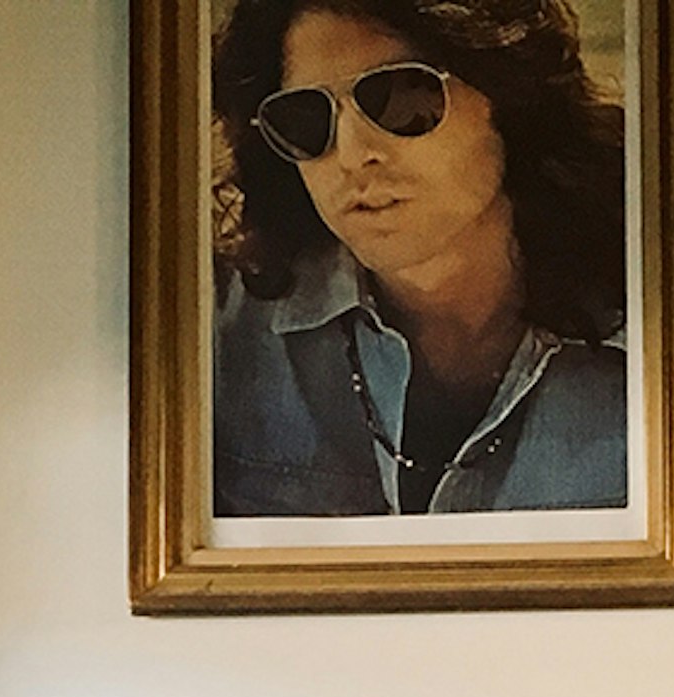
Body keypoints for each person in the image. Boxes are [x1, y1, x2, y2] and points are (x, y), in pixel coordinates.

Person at [207, 0, 631, 518]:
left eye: (400, 97)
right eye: (304, 117)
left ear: (505, 95)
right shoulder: (220, 333)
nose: (352, 154)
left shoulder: (659, 321)